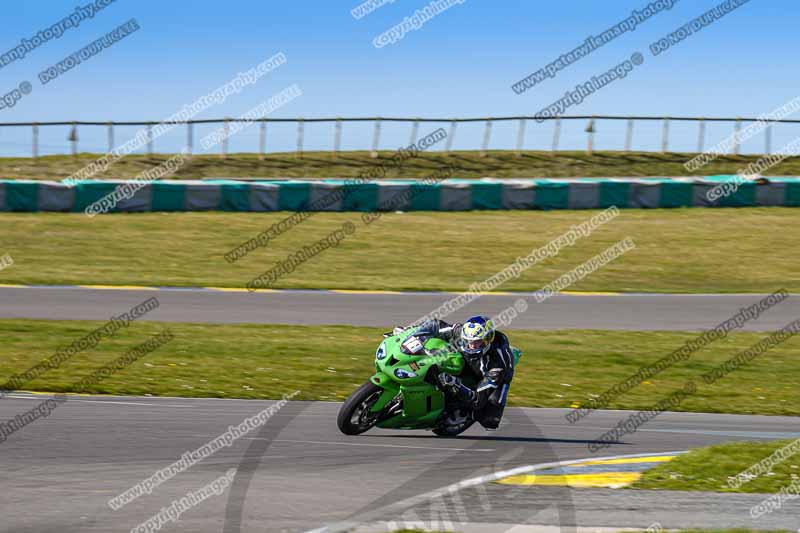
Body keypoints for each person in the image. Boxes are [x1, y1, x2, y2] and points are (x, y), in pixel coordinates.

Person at [399, 315, 515, 430]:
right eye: (468, 341)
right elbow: (434, 325)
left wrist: (455, 384)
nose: (472, 345)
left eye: (477, 342)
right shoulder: (461, 332)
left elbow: (477, 400)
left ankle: (467, 414)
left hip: (493, 375)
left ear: (487, 340)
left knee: (489, 419)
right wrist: (409, 332)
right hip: (467, 360)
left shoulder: (497, 366)